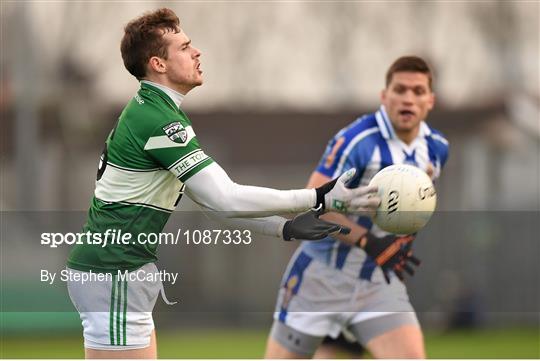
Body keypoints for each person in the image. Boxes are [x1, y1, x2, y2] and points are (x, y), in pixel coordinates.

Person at [65, 8, 381, 359]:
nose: (196, 52)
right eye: (184, 47)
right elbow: (226, 198)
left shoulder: (155, 112)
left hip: (114, 271)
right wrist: (317, 197)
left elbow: (213, 204)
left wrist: (285, 228)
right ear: (158, 64)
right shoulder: (158, 121)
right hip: (114, 272)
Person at [265, 56, 449, 359]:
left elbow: (413, 207)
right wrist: (369, 241)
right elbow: (314, 201)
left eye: (417, 91)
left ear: (430, 100)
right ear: (384, 96)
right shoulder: (356, 140)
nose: (408, 98)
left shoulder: (437, 147)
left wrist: (397, 242)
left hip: (376, 282)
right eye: (400, 89)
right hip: (319, 279)